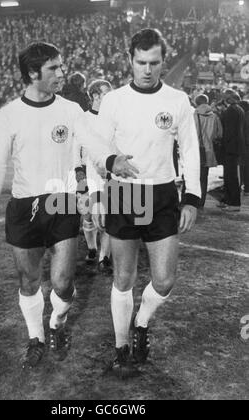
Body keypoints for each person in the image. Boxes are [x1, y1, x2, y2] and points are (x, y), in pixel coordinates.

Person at [0, 42, 136, 369]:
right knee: (28, 281)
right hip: (24, 208)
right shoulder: (8, 114)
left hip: (61, 202)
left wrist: (111, 159)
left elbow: (92, 143)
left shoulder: (70, 110)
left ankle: (57, 324)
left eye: (61, 67)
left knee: (64, 283)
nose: (61, 73)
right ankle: (36, 337)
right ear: (33, 73)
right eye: (54, 68)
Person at [93, 29, 201, 378]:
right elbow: (96, 148)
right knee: (123, 278)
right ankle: (122, 346)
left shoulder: (178, 100)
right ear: (130, 60)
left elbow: (191, 152)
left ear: (162, 61)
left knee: (165, 280)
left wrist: (193, 198)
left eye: (154, 62)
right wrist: (102, 183)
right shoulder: (113, 101)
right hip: (124, 194)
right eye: (141, 62)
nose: (147, 69)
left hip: (163, 194)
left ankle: (141, 322)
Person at [77, 79, 113, 272]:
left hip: (108, 176)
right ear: (95, 96)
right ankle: (92, 248)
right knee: (89, 215)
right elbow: (76, 148)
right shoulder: (83, 118)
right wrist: (78, 171)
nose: (110, 97)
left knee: (107, 218)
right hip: (88, 175)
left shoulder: (113, 118)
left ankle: (104, 257)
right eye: (107, 93)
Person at [219, 90, 246, 212]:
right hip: (236, 146)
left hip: (230, 147)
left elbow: (228, 131)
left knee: (231, 176)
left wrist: (223, 144)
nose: (223, 99)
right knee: (230, 175)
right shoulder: (239, 109)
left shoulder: (230, 111)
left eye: (225, 97)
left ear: (229, 98)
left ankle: (234, 203)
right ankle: (229, 201)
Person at [194, 94, 222, 208]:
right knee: (204, 177)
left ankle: (190, 201)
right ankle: (201, 202)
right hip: (208, 151)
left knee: (192, 176)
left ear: (197, 103)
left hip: (194, 151)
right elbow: (219, 134)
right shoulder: (214, 116)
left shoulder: (193, 115)